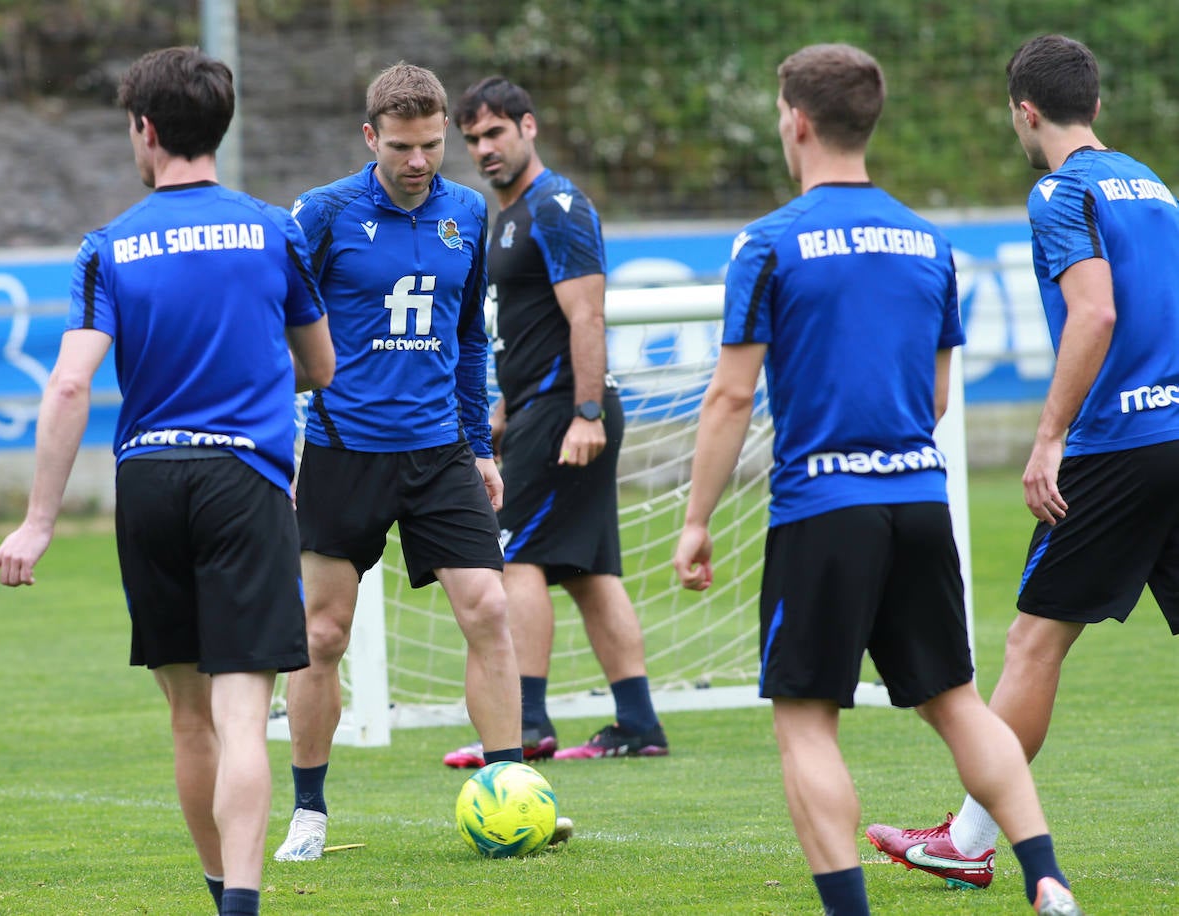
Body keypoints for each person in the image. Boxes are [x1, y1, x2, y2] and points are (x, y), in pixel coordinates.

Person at [671, 43, 1081, 916]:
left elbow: (730, 396)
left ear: (798, 120)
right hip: (920, 502)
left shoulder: (769, 242)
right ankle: (1046, 875)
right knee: (959, 704)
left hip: (825, 510)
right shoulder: (930, 243)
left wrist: (696, 518)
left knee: (807, 722)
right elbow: (934, 396)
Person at [0, 47, 334, 916]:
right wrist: (248, 381)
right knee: (244, 715)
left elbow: (69, 383)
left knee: (188, 717)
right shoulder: (273, 229)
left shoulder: (109, 247)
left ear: (144, 130)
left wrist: (37, 521)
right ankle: (244, 906)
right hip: (241, 480)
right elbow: (319, 367)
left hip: (148, 481)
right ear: (221, 126)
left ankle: (216, 894)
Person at [866, 32, 1179, 896]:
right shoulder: (1152, 183)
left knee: (1032, 643)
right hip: (1177, 429)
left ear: (1024, 111)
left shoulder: (1059, 193)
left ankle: (967, 840)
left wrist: (1049, 439)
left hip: (1118, 446)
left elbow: (1095, 315)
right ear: (1099, 105)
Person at [272, 62, 524, 862]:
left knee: (488, 609)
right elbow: (275, 328)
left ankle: (514, 794)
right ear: (371, 136)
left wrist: (480, 446)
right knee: (323, 635)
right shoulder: (321, 213)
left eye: (432, 144)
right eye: (403, 147)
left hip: (440, 453)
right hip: (345, 452)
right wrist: (279, 446)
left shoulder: (466, 212)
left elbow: (467, 337)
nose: (420, 162)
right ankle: (309, 812)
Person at [440, 76, 669, 767]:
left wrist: (586, 412)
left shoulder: (557, 205)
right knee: (590, 571)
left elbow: (587, 315)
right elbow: (531, 328)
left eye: (495, 133)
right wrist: (508, 407)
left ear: (528, 127)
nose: (483, 149)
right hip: (542, 408)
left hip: (571, 411)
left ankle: (528, 720)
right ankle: (638, 723)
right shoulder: (506, 212)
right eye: (472, 138)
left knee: (518, 560)